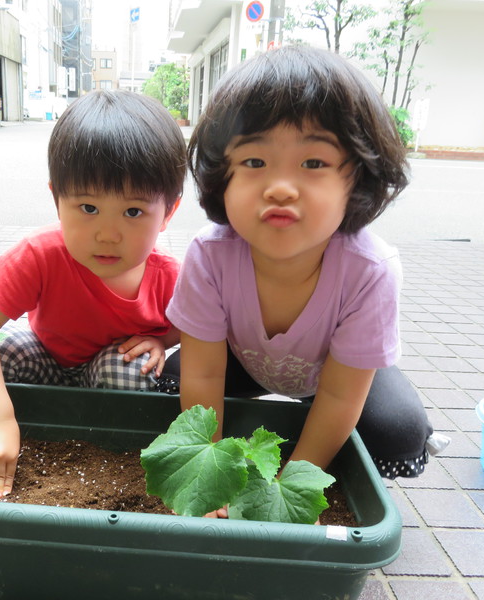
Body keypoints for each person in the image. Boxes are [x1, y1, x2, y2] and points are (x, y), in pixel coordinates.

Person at [160, 46, 449, 514]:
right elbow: (204, 372)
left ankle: (335, 467)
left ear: (356, 178)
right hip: (243, 362)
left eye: (313, 163)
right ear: (222, 178)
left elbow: (337, 396)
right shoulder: (209, 254)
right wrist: (208, 477)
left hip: (335, 376)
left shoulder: (370, 270)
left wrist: (291, 484)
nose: (280, 187)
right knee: (172, 383)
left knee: (399, 428)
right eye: (254, 162)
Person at [0, 90, 186, 498]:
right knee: (5, 350)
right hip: (48, 359)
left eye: (133, 212)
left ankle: (109, 453)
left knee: (133, 369)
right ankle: (17, 434)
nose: (107, 233)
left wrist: (161, 339)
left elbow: (197, 329)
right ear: (56, 199)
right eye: (87, 207)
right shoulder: (40, 254)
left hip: (107, 373)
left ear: (168, 212)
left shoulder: (171, 278)